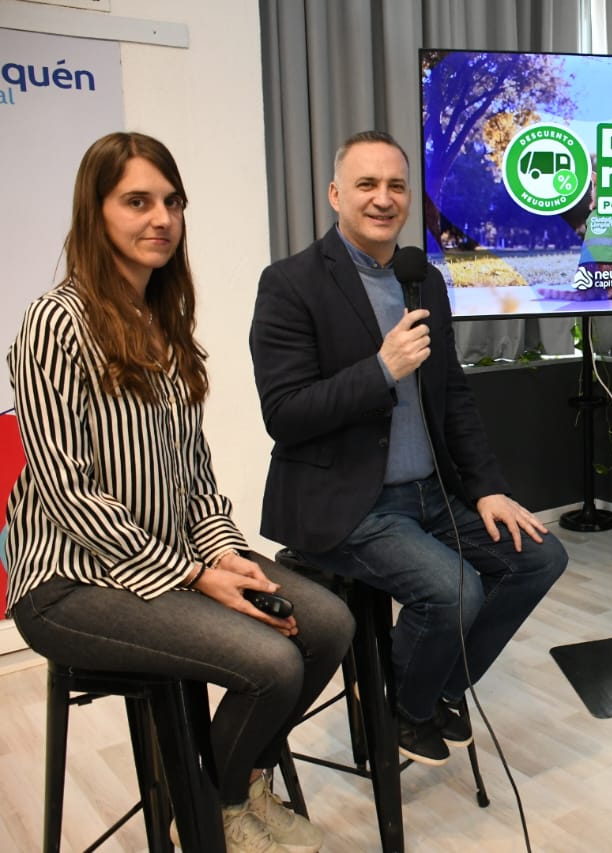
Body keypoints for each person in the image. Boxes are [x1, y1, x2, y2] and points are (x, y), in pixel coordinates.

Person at [4, 132, 353, 853]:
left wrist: (223, 555)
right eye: (137, 201)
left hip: (169, 562)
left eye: (172, 201)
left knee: (327, 623)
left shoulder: (162, 324)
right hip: (69, 581)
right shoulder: (54, 322)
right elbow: (66, 491)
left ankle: (230, 788)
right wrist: (195, 575)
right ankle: (209, 813)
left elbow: (195, 476)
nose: (161, 218)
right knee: (272, 663)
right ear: (96, 211)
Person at [249, 130, 568, 767]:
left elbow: (454, 399)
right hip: (348, 504)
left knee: (539, 557)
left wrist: (487, 488)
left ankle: (423, 693)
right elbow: (284, 415)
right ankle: (402, 708)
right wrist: (381, 369)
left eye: (396, 186)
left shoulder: (424, 282)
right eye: (366, 184)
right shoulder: (290, 283)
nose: (383, 198)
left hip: (433, 494)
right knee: (455, 591)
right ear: (335, 194)